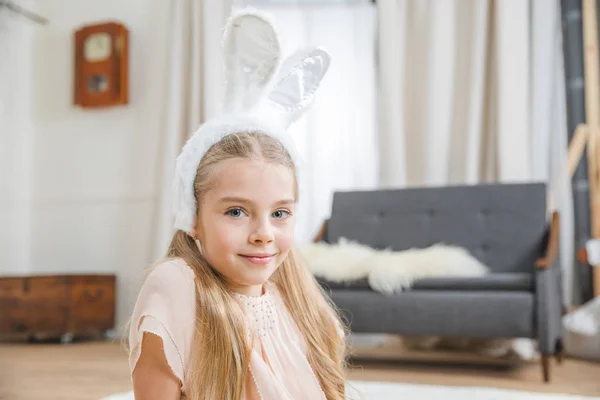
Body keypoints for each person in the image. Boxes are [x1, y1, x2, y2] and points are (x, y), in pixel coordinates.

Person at [127, 8, 348, 400]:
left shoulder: (295, 299)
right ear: (193, 217)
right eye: (236, 212)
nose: (264, 234)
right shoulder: (177, 287)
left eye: (280, 213)